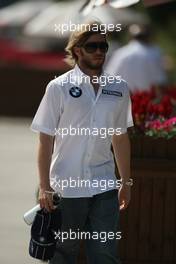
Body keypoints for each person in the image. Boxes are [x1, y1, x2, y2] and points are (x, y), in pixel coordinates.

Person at [30, 21, 134, 264]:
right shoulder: (58, 88)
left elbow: (120, 136)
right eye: (92, 46)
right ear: (77, 50)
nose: (100, 51)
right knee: (63, 254)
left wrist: (125, 182)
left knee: (105, 254)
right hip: (66, 187)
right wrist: (44, 186)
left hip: (104, 185)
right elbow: (45, 139)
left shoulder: (119, 88)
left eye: (104, 46)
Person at [105, 24, 167, 93]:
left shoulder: (121, 53)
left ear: (130, 37)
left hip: (126, 98)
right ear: (147, 36)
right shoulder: (154, 53)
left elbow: (109, 78)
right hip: (149, 99)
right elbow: (161, 81)